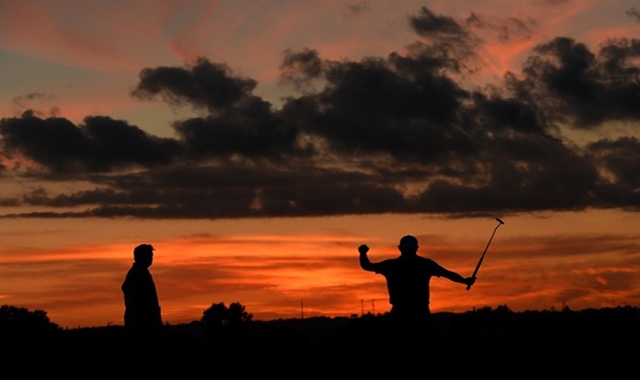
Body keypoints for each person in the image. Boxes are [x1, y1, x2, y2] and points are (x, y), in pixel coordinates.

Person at [359, 235, 475, 333]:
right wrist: (465, 281)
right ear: (417, 248)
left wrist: (363, 253)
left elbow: (367, 266)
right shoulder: (425, 264)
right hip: (419, 313)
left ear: (400, 248)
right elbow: (448, 274)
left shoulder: (391, 265)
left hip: (401, 314)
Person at [122, 243, 163, 333]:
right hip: (141, 322)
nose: (151, 258)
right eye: (149, 256)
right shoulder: (137, 274)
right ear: (140, 257)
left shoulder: (142, 273)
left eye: (151, 256)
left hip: (144, 320)